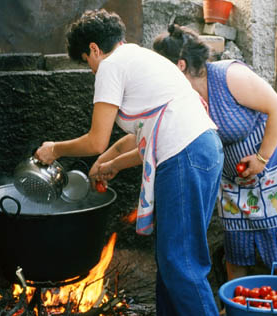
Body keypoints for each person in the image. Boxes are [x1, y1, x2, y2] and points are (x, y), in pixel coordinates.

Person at [35, 10, 224, 316]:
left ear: (94, 49)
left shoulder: (110, 66)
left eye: (87, 61)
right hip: (200, 150)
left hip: (186, 155)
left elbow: (97, 139)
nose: (91, 70)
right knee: (172, 261)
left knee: (182, 264)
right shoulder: (137, 57)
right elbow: (143, 137)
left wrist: (54, 149)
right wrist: (108, 162)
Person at [153, 24, 277, 281]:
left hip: (273, 156)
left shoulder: (230, 76)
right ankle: (235, 304)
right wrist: (115, 160)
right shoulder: (183, 95)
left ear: (180, 65)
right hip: (235, 174)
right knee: (237, 243)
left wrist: (262, 159)